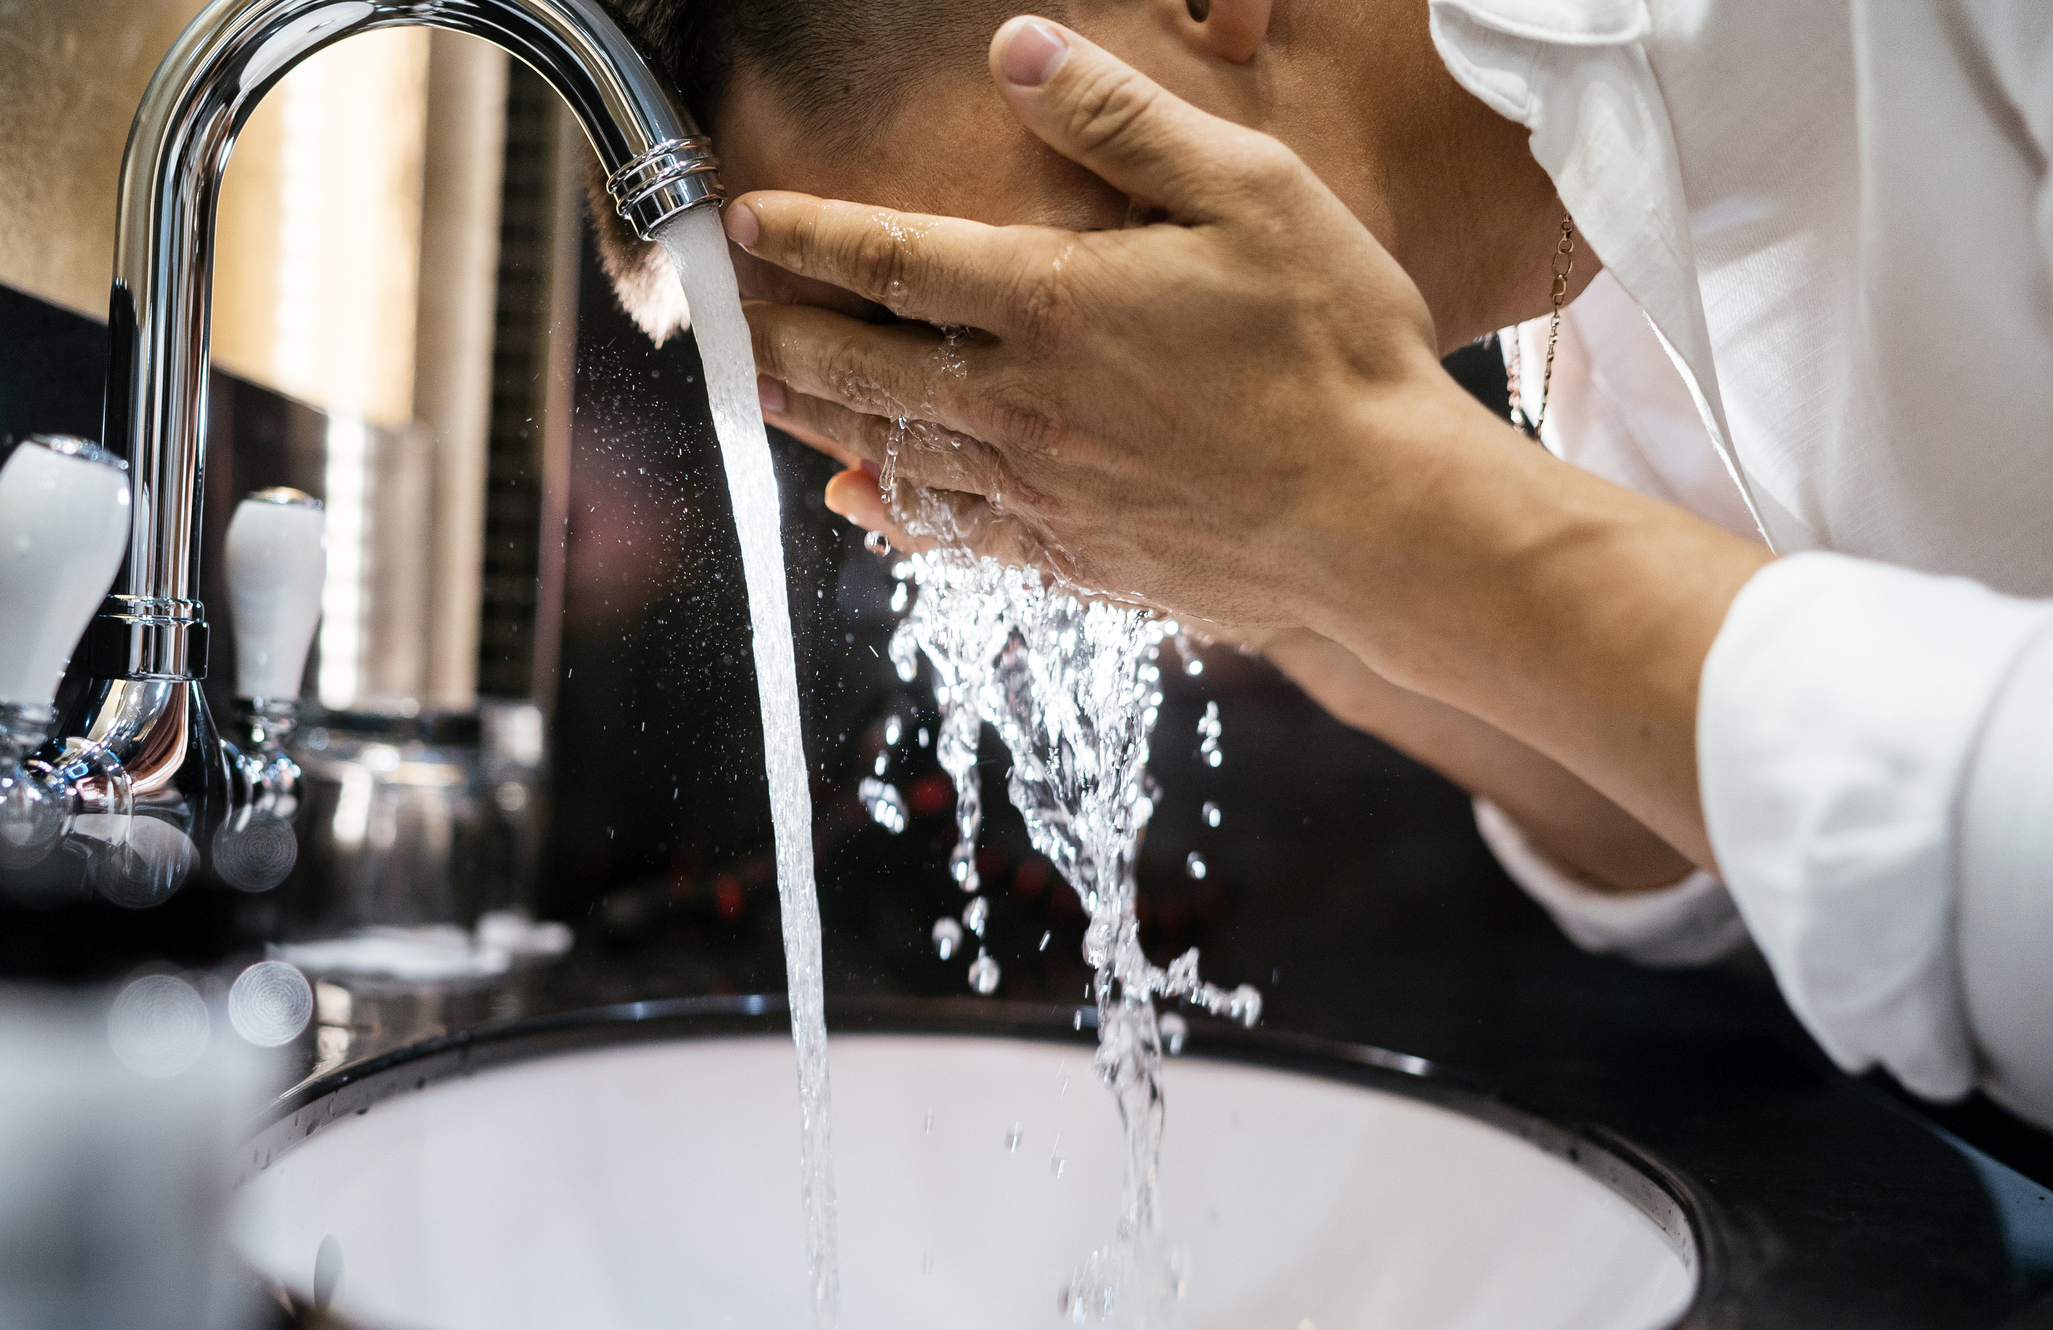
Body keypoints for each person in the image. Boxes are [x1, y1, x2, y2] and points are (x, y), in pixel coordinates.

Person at [591, 0, 2053, 1130]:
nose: (993, 424)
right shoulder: (1549, 220)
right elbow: (1690, 826)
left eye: (969, 314)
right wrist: (1286, 574)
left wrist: (1358, 504)